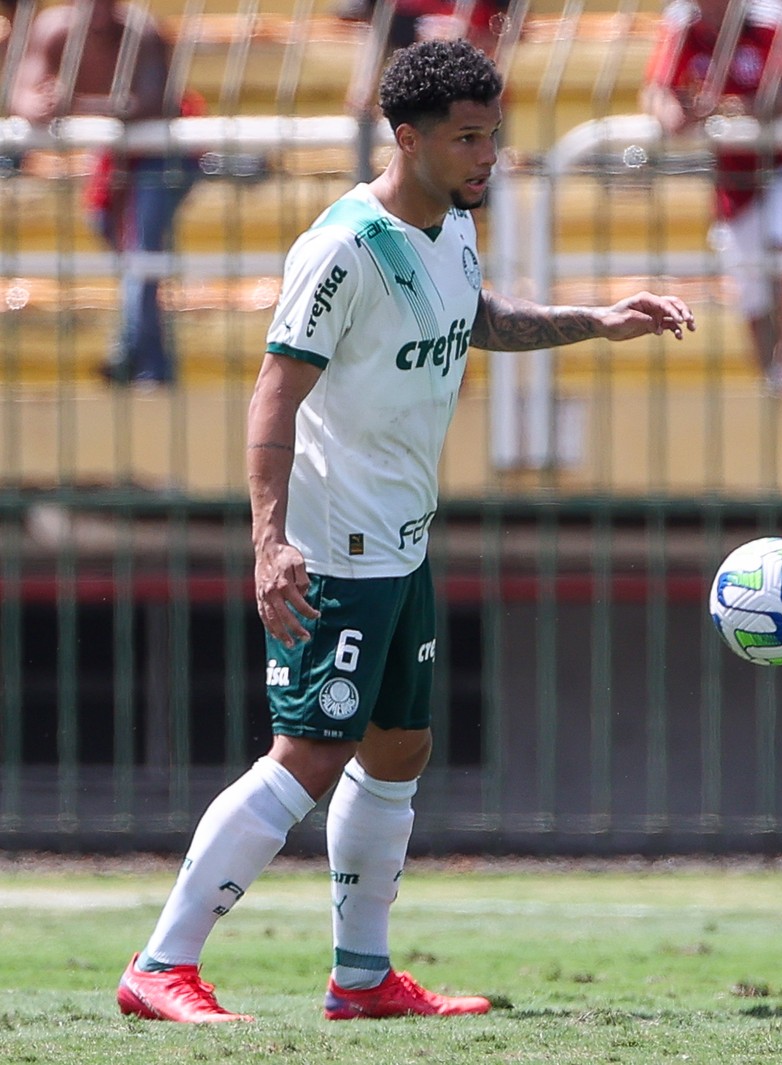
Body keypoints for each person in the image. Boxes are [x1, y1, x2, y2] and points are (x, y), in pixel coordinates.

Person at [115, 38, 695, 1023]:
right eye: (467, 138)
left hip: (404, 539)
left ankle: (361, 976)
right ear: (408, 136)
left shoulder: (451, 228)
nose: (487, 156)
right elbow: (274, 392)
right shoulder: (344, 245)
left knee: (400, 750)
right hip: (337, 546)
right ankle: (161, 965)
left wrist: (597, 320)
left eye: (493, 137)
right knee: (307, 754)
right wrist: (269, 541)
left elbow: (477, 316)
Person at [9, 0, 198, 385]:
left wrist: (74, 104)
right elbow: (21, 92)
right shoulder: (53, 31)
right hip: (117, 155)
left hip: (165, 156)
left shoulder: (141, 32)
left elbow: (152, 102)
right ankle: (149, 357)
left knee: (142, 248)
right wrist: (38, 106)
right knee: (126, 248)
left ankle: (137, 360)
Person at [640, 0, 782, 395]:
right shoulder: (682, 24)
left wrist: (721, 108)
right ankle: (770, 378)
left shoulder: (771, 19)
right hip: (734, 177)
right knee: (749, 283)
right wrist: (672, 112)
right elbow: (656, 91)